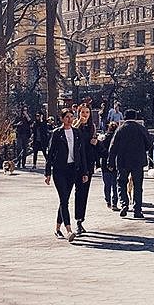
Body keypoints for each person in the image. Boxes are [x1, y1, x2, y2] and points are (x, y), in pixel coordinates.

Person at [45, 108, 88, 242]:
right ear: (62, 119)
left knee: (65, 199)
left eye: (71, 116)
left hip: (72, 169)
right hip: (60, 170)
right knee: (64, 200)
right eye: (67, 117)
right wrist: (47, 172)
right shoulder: (57, 133)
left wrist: (84, 171)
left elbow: (82, 153)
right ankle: (69, 230)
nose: (69, 119)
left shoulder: (76, 132)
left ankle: (57, 228)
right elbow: (50, 153)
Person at [108, 108, 152, 218]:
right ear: (135, 117)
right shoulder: (141, 128)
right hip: (138, 161)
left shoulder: (120, 129)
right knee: (138, 185)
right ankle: (137, 210)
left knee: (121, 183)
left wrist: (110, 162)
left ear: (125, 117)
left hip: (123, 160)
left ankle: (124, 204)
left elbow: (113, 147)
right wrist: (142, 149)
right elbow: (149, 143)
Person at [73, 103, 98, 235]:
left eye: (87, 112)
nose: (85, 115)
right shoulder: (75, 125)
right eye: (82, 112)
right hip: (74, 163)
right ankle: (63, 222)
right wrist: (78, 123)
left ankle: (79, 220)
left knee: (83, 193)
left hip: (87, 163)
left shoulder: (92, 127)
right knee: (71, 193)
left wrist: (96, 142)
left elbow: (94, 145)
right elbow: (71, 134)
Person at [99, 122, 119, 210]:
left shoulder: (104, 139)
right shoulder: (118, 139)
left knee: (107, 184)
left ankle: (108, 200)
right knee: (115, 185)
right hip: (115, 163)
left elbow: (100, 152)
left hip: (105, 163)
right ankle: (115, 203)